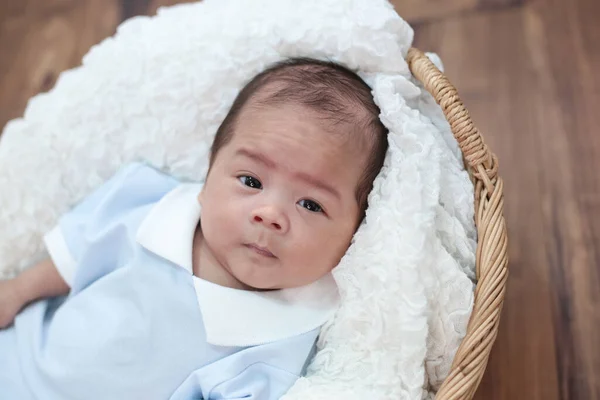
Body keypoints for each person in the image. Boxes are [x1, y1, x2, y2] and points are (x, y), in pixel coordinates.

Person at [0, 57, 388, 399]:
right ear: (209, 173)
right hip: (16, 358)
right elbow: (74, 254)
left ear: (354, 232)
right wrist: (16, 291)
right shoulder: (150, 204)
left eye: (310, 204)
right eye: (250, 181)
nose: (270, 214)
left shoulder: (283, 337)